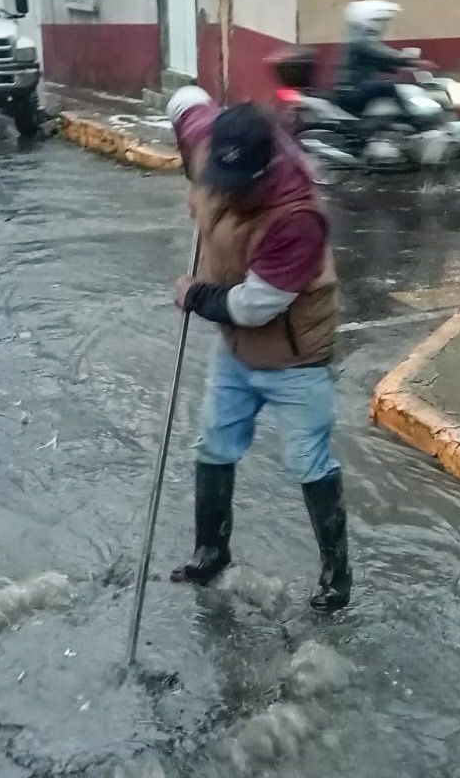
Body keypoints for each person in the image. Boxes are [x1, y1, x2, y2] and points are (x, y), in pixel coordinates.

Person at [163, 86, 352, 611]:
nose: (224, 192)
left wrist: (194, 295)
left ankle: (336, 577)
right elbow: (186, 102)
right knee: (214, 444)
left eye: (235, 185)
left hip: (295, 358)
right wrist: (187, 158)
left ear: (263, 170)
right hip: (235, 351)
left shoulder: (298, 219)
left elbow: (253, 307)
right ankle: (210, 552)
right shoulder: (213, 143)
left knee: (307, 460)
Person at [333, 0, 419, 122]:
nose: (380, 25)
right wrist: (407, 59)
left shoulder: (356, 39)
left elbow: (375, 62)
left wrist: (401, 68)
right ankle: (412, 118)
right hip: (352, 90)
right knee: (388, 86)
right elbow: (380, 52)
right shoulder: (360, 40)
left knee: (387, 88)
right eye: (378, 20)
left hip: (354, 89)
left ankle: (394, 123)